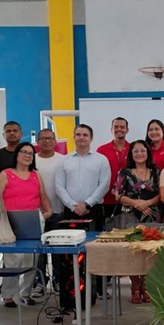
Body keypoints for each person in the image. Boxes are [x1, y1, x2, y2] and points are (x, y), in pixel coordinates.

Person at [55, 124, 111, 304]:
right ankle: (71, 293)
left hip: (93, 210)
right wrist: (73, 205)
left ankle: (95, 291)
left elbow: (104, 185)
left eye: (85, 135)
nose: (81, 138)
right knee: (69, 256)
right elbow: (59, 187)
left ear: (91, 138)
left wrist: (87, 203)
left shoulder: (101, 160)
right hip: (70, 211)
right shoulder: (64, 161)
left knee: (94, 251)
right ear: (74, 137)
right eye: (78, 134)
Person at [0, 142, 52, 307]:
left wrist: (47, 212)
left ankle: (25, 293)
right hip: (10, 221)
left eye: (30, 153)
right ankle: (7, 295)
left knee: (31, 259)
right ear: (17, 155)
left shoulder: (36, 175)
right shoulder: (5, 174)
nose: (27, 155)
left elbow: (43, 196)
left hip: (33, 219)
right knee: (13, 260)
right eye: (24, 152)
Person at [115, 140, 161, 304]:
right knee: (133, 252)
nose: (139, 153)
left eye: (142, 150)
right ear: (131, 154)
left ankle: (146, 285)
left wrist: (147, 203)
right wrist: (137, 204)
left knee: (149, 252)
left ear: (147, 153)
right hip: (130, 216)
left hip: (152, 215)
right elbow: (118, 195)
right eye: (136, 151)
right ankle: (135, 287)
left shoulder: (157, 172)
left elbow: (161, 195)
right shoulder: (124, 172)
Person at [32, 128, 65, 297]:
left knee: (58, 250)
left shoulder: (63, 160)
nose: (46, 141)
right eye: (43, 138)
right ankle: (39, 282)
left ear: (55, 141)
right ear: (37, 141)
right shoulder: (32, 160)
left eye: (50, 138)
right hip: (36, 213)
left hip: (58, 210)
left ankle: (58, 280)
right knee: (39, 251)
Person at [97, 117, 130, 221]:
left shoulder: (133, 149)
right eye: (116, 127)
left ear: (127, 130)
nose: (119, 129)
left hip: (129, 199)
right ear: (111, 129)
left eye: (122, 127)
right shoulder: (101, 150)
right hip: (107, 199)